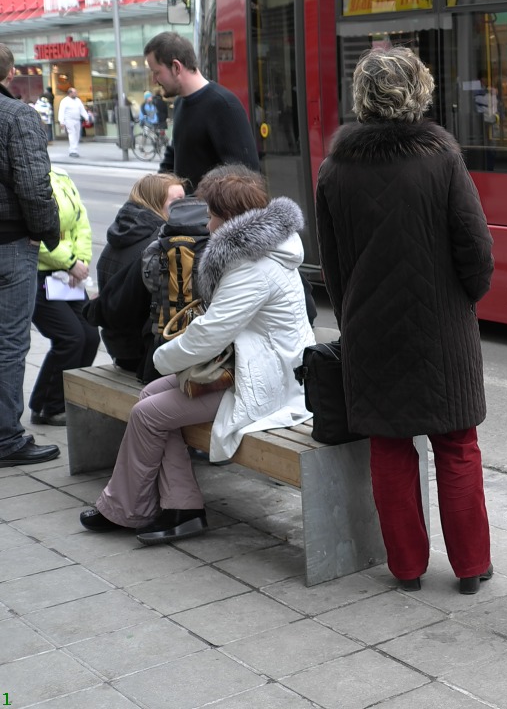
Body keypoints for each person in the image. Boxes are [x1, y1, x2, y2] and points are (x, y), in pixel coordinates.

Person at [315, 46, 495, 594]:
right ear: (418, 91)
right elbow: (476, 248)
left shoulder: (334, 170)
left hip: (370, 334)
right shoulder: (440, 156)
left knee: (389, 448)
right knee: (457, 445)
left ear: (362, 97)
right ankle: (470, 567)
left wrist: (356, 315)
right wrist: (464, 299)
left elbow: (334, 266)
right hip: (443, 332)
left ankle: (407, 569)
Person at [79, 165, 314, 543]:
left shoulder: (253, 266)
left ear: (229, 217)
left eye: (211, 215)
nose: (205, 224)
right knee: (150, 400)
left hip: (268, 382)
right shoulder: (262, 250)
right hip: (253, 366)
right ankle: (177, 506)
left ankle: (137, 508)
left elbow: (208, 334)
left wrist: (160, 360)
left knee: (149, 412)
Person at [0, 43, 62, 466]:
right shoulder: (17, 115)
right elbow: (34, 185)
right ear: (10, 71)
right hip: (10, 244)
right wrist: (47, 233)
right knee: (9, 343)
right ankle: (6, 439)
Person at [84, 173, 185, 380]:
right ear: (155, 202)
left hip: (118, 348)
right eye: (177, 201)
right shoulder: (160, 242)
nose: (185, 207)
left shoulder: (121, 232)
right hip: (142, 355)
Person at [28, 166, 99, 426]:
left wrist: (80, 260)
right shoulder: (26, 179)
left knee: (90, 336)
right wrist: (69, 261)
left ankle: (67, 399)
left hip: (69, 275)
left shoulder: (60, 175)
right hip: (40, 274)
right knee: (70, 338)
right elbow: (35, 232)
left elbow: (81, 221)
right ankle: (46, 406)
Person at [145, 31, 259, 190]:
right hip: (186, 212)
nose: (154, 80)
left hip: (213, 214)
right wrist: (154, 193)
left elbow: (247, 178)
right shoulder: (179, 104)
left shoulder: (224, 105)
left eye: (157, 72)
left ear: (176, 67)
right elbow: (173, 157)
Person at [58, 87, 88, 158]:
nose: (76, 94)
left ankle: (75, 149)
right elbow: (61, 111)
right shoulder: (65, 101)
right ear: (70, 93)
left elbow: (82, 110)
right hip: (69, 120)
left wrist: (86, 117)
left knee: (77, 135)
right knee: (72, 134)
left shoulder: (78, 100)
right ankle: (73, 151)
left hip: (77, 120)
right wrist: (61, 121)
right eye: (74, 92)